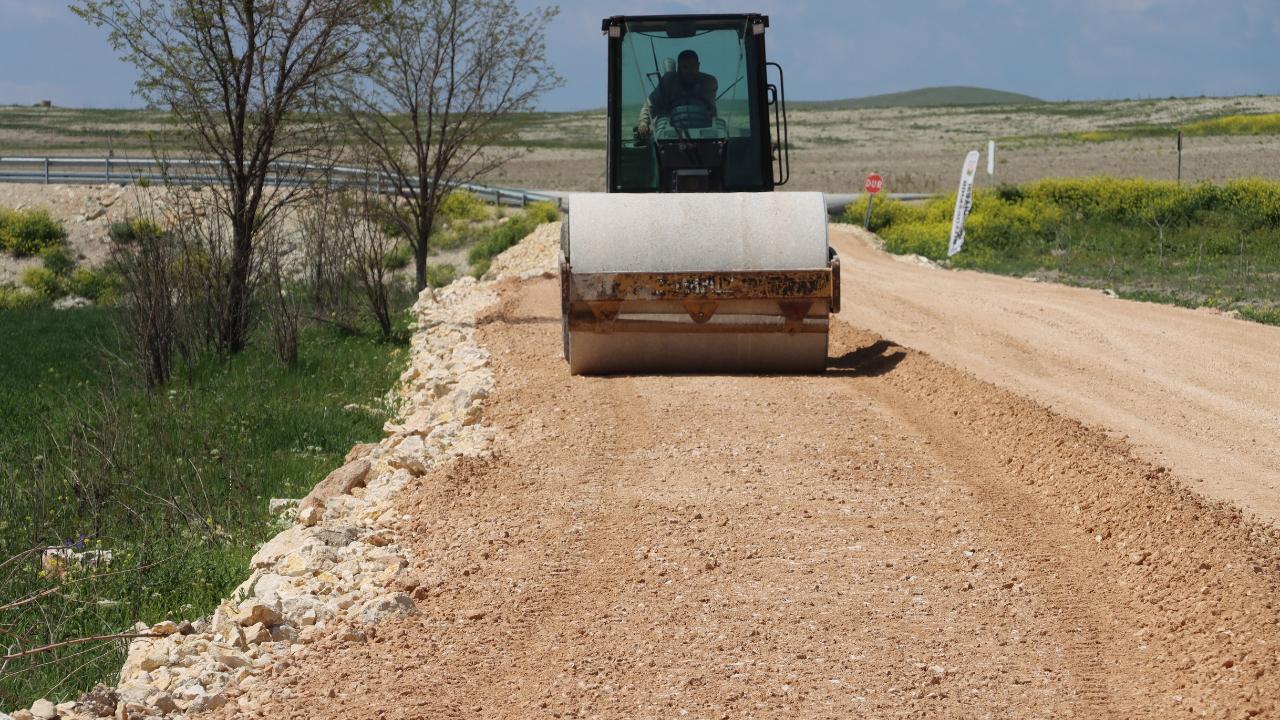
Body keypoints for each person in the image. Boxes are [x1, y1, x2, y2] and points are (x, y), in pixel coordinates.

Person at [637, 49, 718, 138]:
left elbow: (711, 112)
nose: (689, 71)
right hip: (670, 133)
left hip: (702, 132)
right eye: (685, 67)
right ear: (679, 68)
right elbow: (651, 105)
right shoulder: (668, 82)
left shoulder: (708, 83)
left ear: (698, 66)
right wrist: (643, 123)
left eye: (693, 66)